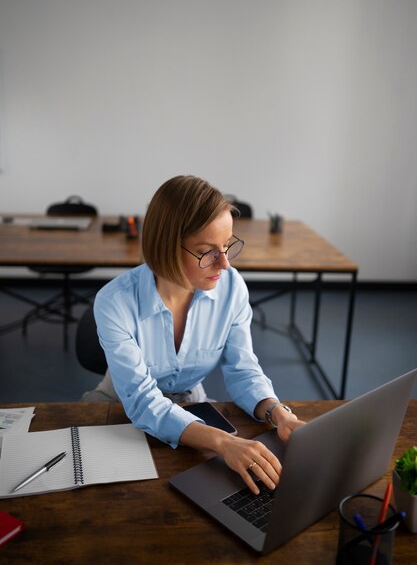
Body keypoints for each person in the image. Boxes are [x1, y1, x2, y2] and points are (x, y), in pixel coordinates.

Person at [87, 175, 304, 495]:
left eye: (228, 246)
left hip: (192, 404)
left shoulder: (231, 288)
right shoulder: (115, 301)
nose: (225, 264)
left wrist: (278, 413)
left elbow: (243, 369)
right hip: (119, 406)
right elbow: (143, 402)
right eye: (207, 251)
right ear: (166, 246)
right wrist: (224, 442)